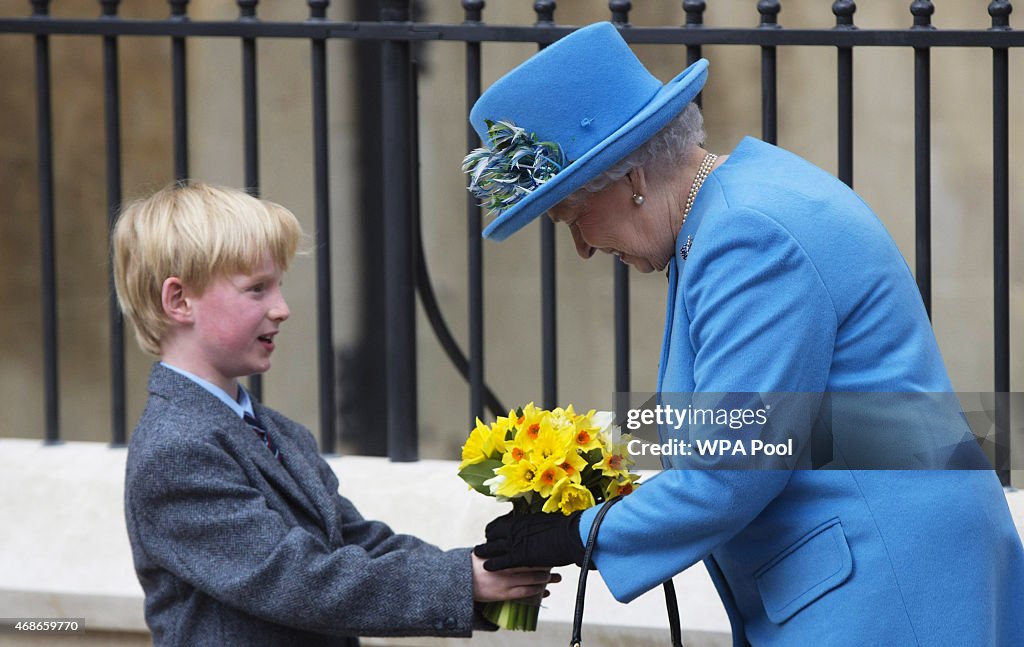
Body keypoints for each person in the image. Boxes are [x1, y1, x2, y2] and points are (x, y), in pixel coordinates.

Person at [464, 22, 1024, 646]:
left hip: (887, 581)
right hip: (875, 565)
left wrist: (584, 532)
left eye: (571, 214)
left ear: (632, 180)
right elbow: (771, 429)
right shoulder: (733, 209)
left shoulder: (746, 236)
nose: (581, 248)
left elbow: (731, 469)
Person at [113, 181, 556, 646]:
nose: (281, 309)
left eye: (278, 286)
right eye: (256, 290)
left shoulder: (278, 432)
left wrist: (486, 569)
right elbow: (295, 580)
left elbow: (356, 543)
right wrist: (461, 581)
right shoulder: (176, 449)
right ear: (178, 301)